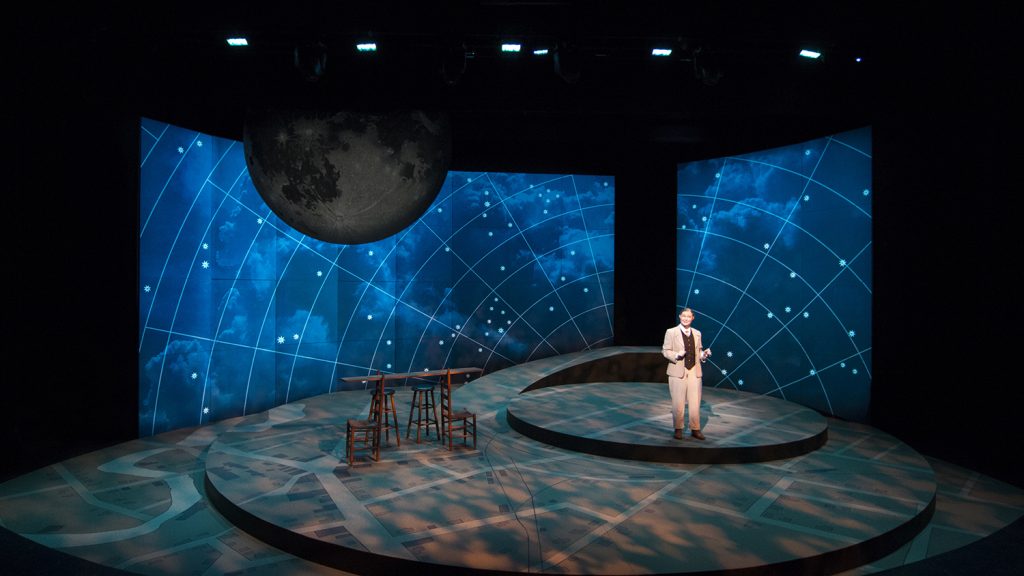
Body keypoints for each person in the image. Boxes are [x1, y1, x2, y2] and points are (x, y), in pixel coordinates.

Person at [662, 307, 712, 440]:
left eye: (688, 316)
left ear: (692, 318)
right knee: (678, 401)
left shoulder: (697, 333)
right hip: (678, 370)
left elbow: (698, 352)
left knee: (695, 401)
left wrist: (704, 355)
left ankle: (695, 429)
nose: (685, 318)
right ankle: (678, 428)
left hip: (694, 370)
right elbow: (665, 351)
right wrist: (677, 355)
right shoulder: (671, 332)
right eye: (683, 316)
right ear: (680, 316)